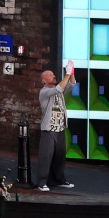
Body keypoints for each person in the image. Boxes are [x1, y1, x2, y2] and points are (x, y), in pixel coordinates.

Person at [36, 60, 76, 191]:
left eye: (53, 75)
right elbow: (59, 87)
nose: (53, 76)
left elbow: (71, 84)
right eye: (50, 75)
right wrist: (67, 73)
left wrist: (71, 73)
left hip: (60, 128)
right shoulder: (44, 92)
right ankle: (42, 182)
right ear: (44, 80)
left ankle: (58, 180)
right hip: (49, 128)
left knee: (59, 156)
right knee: (46, 156)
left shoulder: (58, 91)